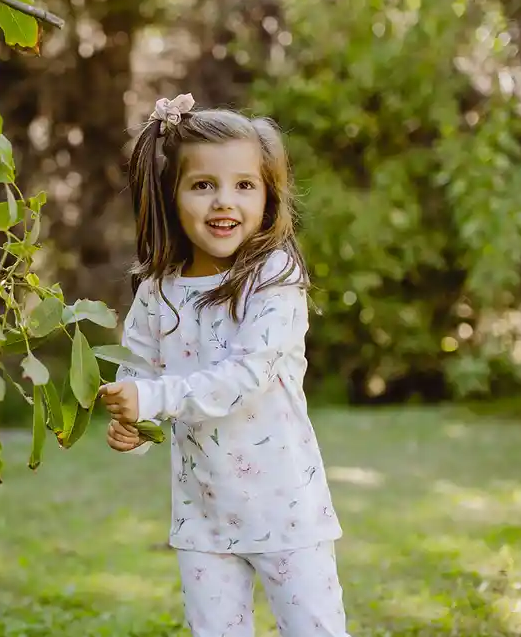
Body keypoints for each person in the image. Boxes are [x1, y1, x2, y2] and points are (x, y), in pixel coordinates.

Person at [97, 94, 351, 637]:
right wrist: (133, 426)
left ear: (267, 196)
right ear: (172, 194)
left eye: (243, 185)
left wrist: (153, 399)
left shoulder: (275, 278)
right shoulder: (157, 293)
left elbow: (245, 377)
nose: (223, 202)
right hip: (204, 518)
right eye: (203, 185)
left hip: (287, 511)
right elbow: (139, 375)